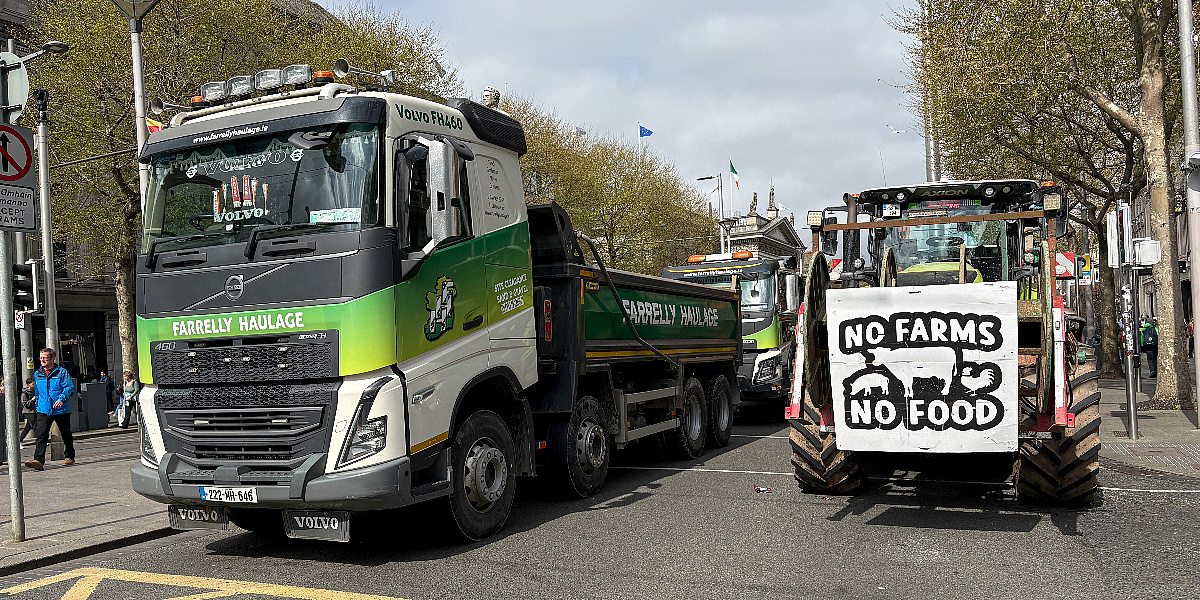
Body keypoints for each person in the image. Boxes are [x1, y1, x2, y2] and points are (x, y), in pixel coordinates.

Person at [25, 348, 76, 471]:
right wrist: (38, 404)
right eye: (41, 357)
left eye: (46, 358)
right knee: (41, 434)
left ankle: (70, 456)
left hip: (60, 409)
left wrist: (61, 399)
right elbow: (37, 392)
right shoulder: (38, 374)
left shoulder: (61, 372)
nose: (42, 360)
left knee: (65, 433)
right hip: (44, 409)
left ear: (53, 359)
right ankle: (38, 460)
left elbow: (69, 388)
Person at [18, 378, 35, 444]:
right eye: (32, 383)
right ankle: (41, 439)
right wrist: (32, 400)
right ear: (28, 384)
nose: (34, 385)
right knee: (35, 426)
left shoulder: (35, 392)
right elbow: (25, 404)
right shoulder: (25, 394)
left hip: (34, 411)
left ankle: (19, 440)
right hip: (28, 412)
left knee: (28, 427)